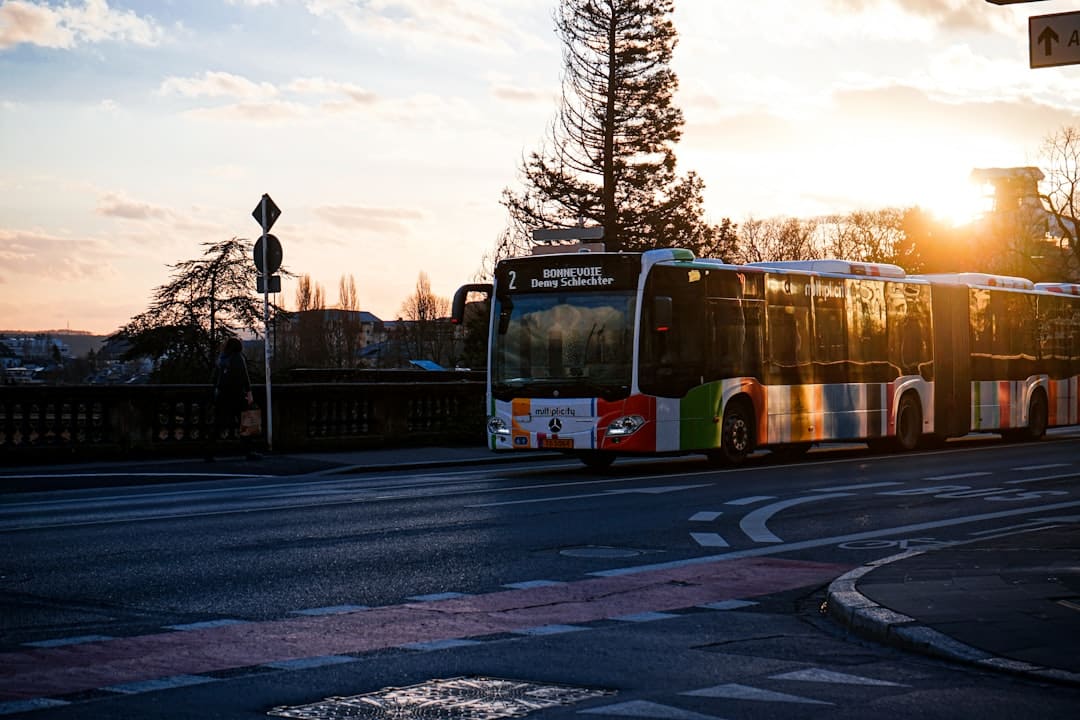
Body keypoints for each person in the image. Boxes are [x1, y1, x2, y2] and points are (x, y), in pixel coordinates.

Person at [206, 337, 259, 460]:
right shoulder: (238, 358)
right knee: (245, 424)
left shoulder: (222, 358)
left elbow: (215, 378)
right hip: (236, 396)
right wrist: (249, 393)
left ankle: (210, 452)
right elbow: (244, 377)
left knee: (218, 424)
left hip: (222, 396)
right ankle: (249, 451)